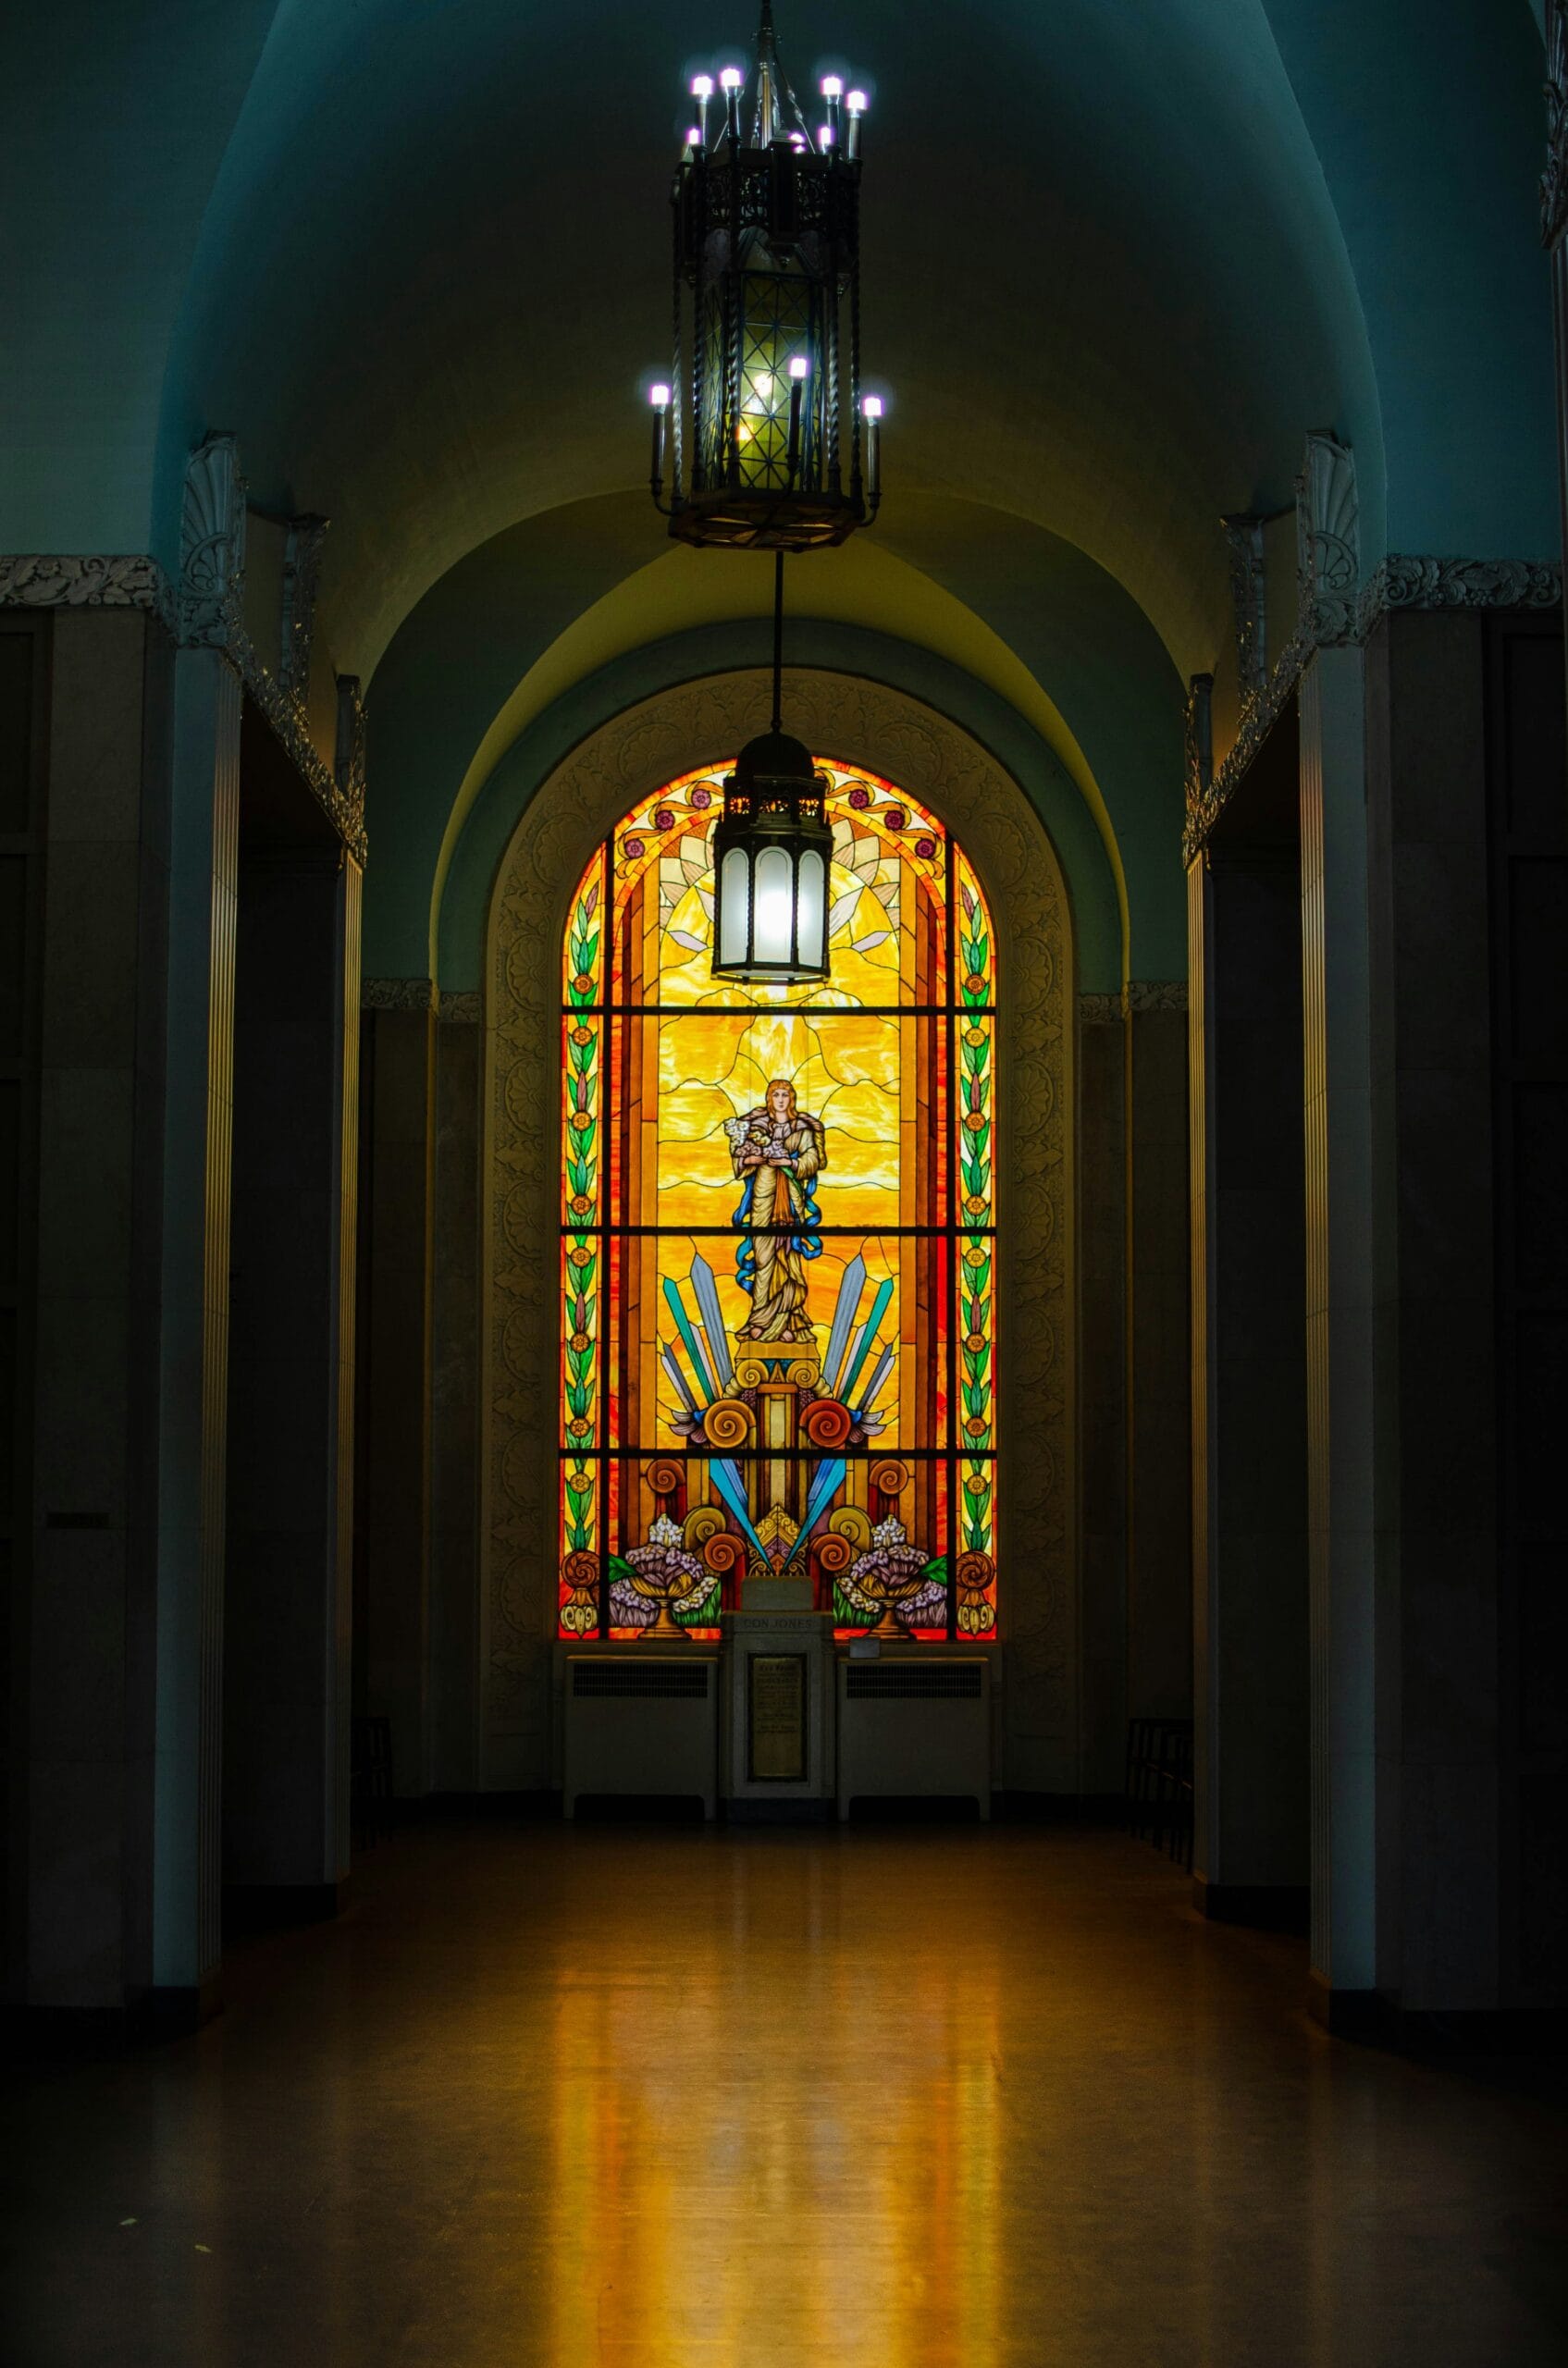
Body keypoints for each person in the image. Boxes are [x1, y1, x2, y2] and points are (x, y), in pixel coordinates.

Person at [726, 1079, 825, 1343]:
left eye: (785, 1095)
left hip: (791, 1201)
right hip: (763, 1198)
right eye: (776, 1095)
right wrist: (750, 1159)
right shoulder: (756, 1127)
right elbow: (738, 1154)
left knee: (789, 1258)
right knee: (763, 1259)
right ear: (769, 1099)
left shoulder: (801, 1130)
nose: (781, 1099)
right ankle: (760, 1319)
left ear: (791, 1099)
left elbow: (813, 1159)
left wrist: (789, 1161)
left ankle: (788, 1322)